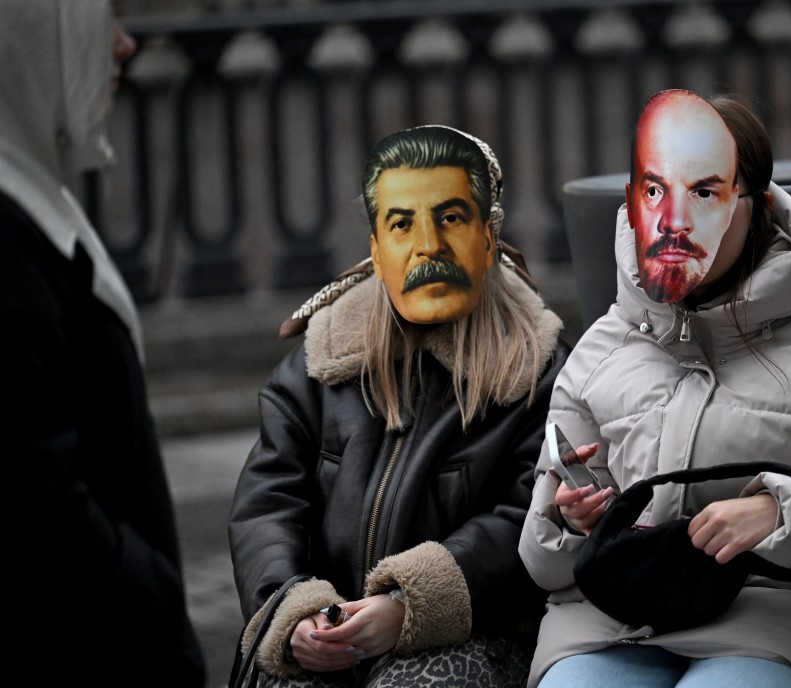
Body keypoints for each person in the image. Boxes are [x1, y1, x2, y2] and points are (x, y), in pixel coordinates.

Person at [517, 89, 791, 688]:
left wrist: (784, 514)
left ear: (757, 206)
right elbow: (544, 564)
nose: (674, 220)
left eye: (704, 193)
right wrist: (574, 522)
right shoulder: (602, 349)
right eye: (655, 191)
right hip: (614, 623)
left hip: (784, 625)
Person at [229, 124, 571, 687]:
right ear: (376, 250)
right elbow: (268, 503)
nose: (428, 245)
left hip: (475, 637)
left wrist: (409, 605)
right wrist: (293, 611)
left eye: (451, 218)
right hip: (329, 629)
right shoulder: (321, 363)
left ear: (488, 239)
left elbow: (528, 516)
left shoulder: (540, 370)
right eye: (402, 224)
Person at [0, 2, 207, 687]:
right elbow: (40, 508)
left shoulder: (34, 208)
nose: (123, 46)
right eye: (100, 21)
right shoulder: (9, 241)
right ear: (30, 44)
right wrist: (147, 595)